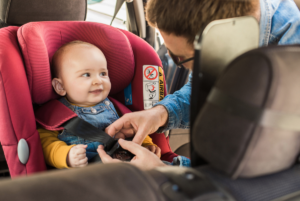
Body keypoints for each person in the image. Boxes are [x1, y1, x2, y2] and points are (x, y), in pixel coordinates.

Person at [98, 0, 300, 170]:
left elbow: (272, 178)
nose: (170, 58)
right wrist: (159, 114)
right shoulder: (229, 29)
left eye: (180, 58)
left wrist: (162, 172)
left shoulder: (292, 67)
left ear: (222, 41)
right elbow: (204, 87)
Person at [38, 40, 161, 168]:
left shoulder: (117, 107)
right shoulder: (56, 114)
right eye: (86, 75)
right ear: (60, 86)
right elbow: (45, 143)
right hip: (90, 173)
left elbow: (135, 129)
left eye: (103, 73)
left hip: (127, 167)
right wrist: (67, 156)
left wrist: (146, 145)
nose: (98, 80)